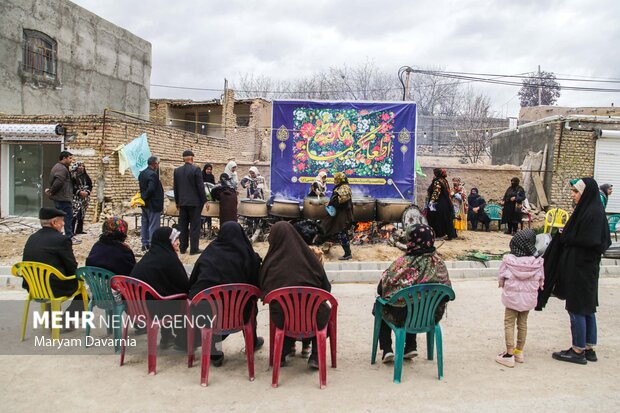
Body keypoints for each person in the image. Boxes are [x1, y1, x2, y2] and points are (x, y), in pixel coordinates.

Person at [538, 178, 611, 365]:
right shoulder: (592, 211)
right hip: (587, 268)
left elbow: (592, 240)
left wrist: (567, 236)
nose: (573, 195)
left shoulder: (591, 213)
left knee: (577, 307)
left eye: (576, 191)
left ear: (585, 193)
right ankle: (588, 347)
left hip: (581, 268)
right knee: (587, 307)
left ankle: (577, 350)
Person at [188, 221, 264, 365]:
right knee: (251, 303)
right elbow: (257, 287)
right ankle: (251, 341)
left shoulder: (210, 252)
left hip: (207, 314)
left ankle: (212, 348)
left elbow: (193, 281)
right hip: (238, 314)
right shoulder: (248, 255)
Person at [260, 221, 332, 369]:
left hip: (282, 318)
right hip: (313, 317)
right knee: (320, 309)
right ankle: (316, 356)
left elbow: (263, 290)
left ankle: (283, 352)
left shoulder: (271, 262)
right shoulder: (311, 259)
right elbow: (326, 289)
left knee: (284, 308)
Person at [375, 224, 452, 362]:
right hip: (431, 315)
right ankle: (411, 346)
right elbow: (447, 294)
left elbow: (382, 289)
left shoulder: (403, 263)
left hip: (404, 316)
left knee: (382, 305)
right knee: (416, 302)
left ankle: (387, 349)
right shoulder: (439, 263)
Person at [130, 227, 189, 348]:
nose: (178, 242)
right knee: (185, 300)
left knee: (164, 294)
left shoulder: (149, 256)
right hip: (154, 311)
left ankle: (167, 337)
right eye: (174, 239)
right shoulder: (169, 259)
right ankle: (182, 340)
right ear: (166, 242)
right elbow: (185, 285)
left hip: (136, 308)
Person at [22, 207, 84, 323]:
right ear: (54, 223)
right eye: (62, 221)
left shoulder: (32, 238)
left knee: (51, 278)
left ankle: (51, 320)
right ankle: (66, 321)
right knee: (85, 289)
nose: (63, 224)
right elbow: (72, 267)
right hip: (53, 289)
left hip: (33, 287)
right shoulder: (61, 240)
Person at [495, 229, 544, 368]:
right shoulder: (537, 262)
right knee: (523, 323)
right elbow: (541, 279)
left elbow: (501, 278)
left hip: (512, 299)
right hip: (528, 300)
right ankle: (519, 352)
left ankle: (509, 354)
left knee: (509, 323)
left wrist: (503, 285)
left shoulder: (509, 260)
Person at [173, 150, 207, 255]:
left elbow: (176, 188)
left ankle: (183, 248)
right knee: (194, 227)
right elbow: (200, 187)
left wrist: (177, 202)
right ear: (192, 158)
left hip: (182, 203)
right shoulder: (196, 169)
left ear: (183, 159)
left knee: (183, 226)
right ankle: (194, 249)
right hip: (195, 204)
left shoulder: (177, 171)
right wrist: (205, 201)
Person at [45, 151, 79, 244]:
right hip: (63, 198)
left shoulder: (60, 167)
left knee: (60, 218)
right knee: (67, 218)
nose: (71, 160)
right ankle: (69, 237)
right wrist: (52, 192)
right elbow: (59, 182)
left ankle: (57, 236)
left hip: (60, 197)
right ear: (64, 158)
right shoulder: (61, 169)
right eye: (70, 158)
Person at [319, 172, 354, 260]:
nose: (334, 180)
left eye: (336, 179)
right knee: (329, 228)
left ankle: (347, 254)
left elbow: (341, 201)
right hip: (338, 214)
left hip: (342, 214)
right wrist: (330, 203)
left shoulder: (344, 188)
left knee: (342, 232)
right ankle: (323, 248)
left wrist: (331, 203)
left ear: (340, 179)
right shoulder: (341, 187)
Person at [138, 156, 164, 252]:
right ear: (154, 164)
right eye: (157, 163)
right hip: (153, 204)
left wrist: (143, 198)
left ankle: (144, 244)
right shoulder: (153, 175)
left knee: (145, 223)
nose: (158, 165)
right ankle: (152, 245)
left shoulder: (142, 173)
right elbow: (151, 189)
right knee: (153, 225)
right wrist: (145, 196)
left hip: (145, 204)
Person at [426, 168, 457, 240]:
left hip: (439, 203)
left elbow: (436, 192)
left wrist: (432, 201)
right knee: (445, 218)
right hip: (446, 203)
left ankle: (439, 235)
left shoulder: (437, 181)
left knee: (436, 218)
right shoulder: (444, 180)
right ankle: (447, 234)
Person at [70, 161, 92, 235]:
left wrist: (87, 192)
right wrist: (79, 192)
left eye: (83, 166)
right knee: (74, 214)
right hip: (76, 198)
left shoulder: (85, 176)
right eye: (79, 166)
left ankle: (79, 230)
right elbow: (71, 187)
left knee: (82, 214)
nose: (81, 167)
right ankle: (71, 231)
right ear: (76, 167)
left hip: (85, 198)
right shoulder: (73, 176)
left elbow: (90, 185)